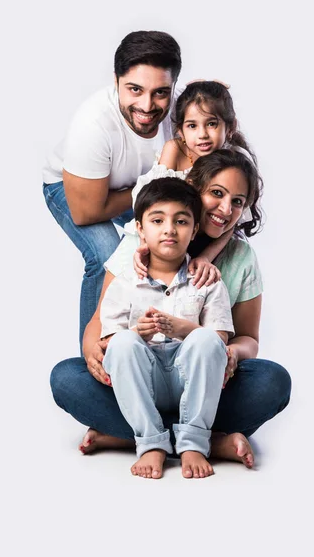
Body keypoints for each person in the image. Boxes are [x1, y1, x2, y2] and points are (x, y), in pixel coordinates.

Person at [50, 150, 292, 478]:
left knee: (273, 381)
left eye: (238, 201)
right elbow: (103, 327)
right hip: (138, 376)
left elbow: (237, 339)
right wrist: (99, 350)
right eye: (217, 194)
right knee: (66, 378)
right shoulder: (135, 252)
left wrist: (228, 352)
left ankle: (143, 438)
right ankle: (192, 441)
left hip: (206, 381)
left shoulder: (226, 269)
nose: (225, 209)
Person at [42, 31, 182, 346]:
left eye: (160, 92)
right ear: (116, 80)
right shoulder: (92, 124)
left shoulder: (183, 107)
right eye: (135, 89)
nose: (147, 106)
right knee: (108, 256)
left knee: (174, 246)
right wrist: (147, 190)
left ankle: (159, 351)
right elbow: (86, 211)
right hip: (77, 191)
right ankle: (94, 356)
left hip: (145, 190)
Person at [100, 178, 234, 479]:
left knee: (207, 341)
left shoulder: (209, 281)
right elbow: (109, 346)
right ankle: (151, 442)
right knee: (115, 348)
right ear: (140, 229)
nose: (169, 229)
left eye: (181, 221)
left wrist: (182, 329)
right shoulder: (124, 283)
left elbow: (219, 344)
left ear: (195, 230)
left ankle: (193, 442)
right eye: (157, 220)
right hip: (144, 385)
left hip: (193, 382)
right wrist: (138, 333)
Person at [123, 80, 257, 277]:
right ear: (180, 130)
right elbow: (154, 202)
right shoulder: (175, 150)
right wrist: (145, 246)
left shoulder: (234, 160)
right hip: (159, 222)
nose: (202, 135)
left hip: (204, 233)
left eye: (212, 124)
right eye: (192, 126)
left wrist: (206, 257)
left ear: (230, 127)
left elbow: (233, 219)